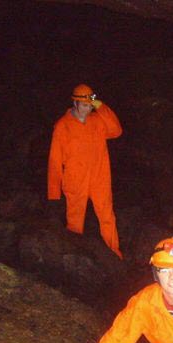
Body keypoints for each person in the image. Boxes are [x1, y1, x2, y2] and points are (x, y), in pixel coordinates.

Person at [47, 83, 123, 258]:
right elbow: (55, 161)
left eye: (90, 105)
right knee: (74, 220)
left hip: (99, 177)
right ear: (75, 104)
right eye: (84, 105)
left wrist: (100, 105)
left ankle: (114, 252)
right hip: (75, 180)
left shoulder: (98, 120)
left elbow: (116, 130)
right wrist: (54, 193)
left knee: (107, 216)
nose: (88, 109)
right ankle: (73, 255)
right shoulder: (63, 126)